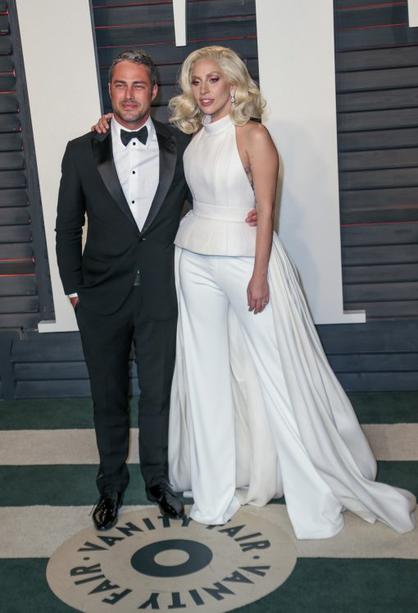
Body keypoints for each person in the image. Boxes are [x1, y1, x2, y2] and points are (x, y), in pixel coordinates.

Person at [166, 46, 416, 539]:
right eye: (196, 81)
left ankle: (313, 493)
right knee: (204, 376)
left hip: (245, 262)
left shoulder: (254, 134)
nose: (204, 89)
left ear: (232, 83)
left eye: (213, 79)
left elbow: (266, 210)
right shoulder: (194, 138)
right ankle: (213, 497)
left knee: (278, 374)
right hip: (192, 257)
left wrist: (260, 274)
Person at [55, 49, 190, 530]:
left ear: (153, 91)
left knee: (158, 395)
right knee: (107, 396)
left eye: (138, 85)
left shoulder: (183, 145)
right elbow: (67, 227)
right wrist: (74, 291)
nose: (129, 95)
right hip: (99, 297)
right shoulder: (81, 149)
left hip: (160, 293)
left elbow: (210, 194)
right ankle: (110, 486)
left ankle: (158, 482)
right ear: (109, 90)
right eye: (120, 85)